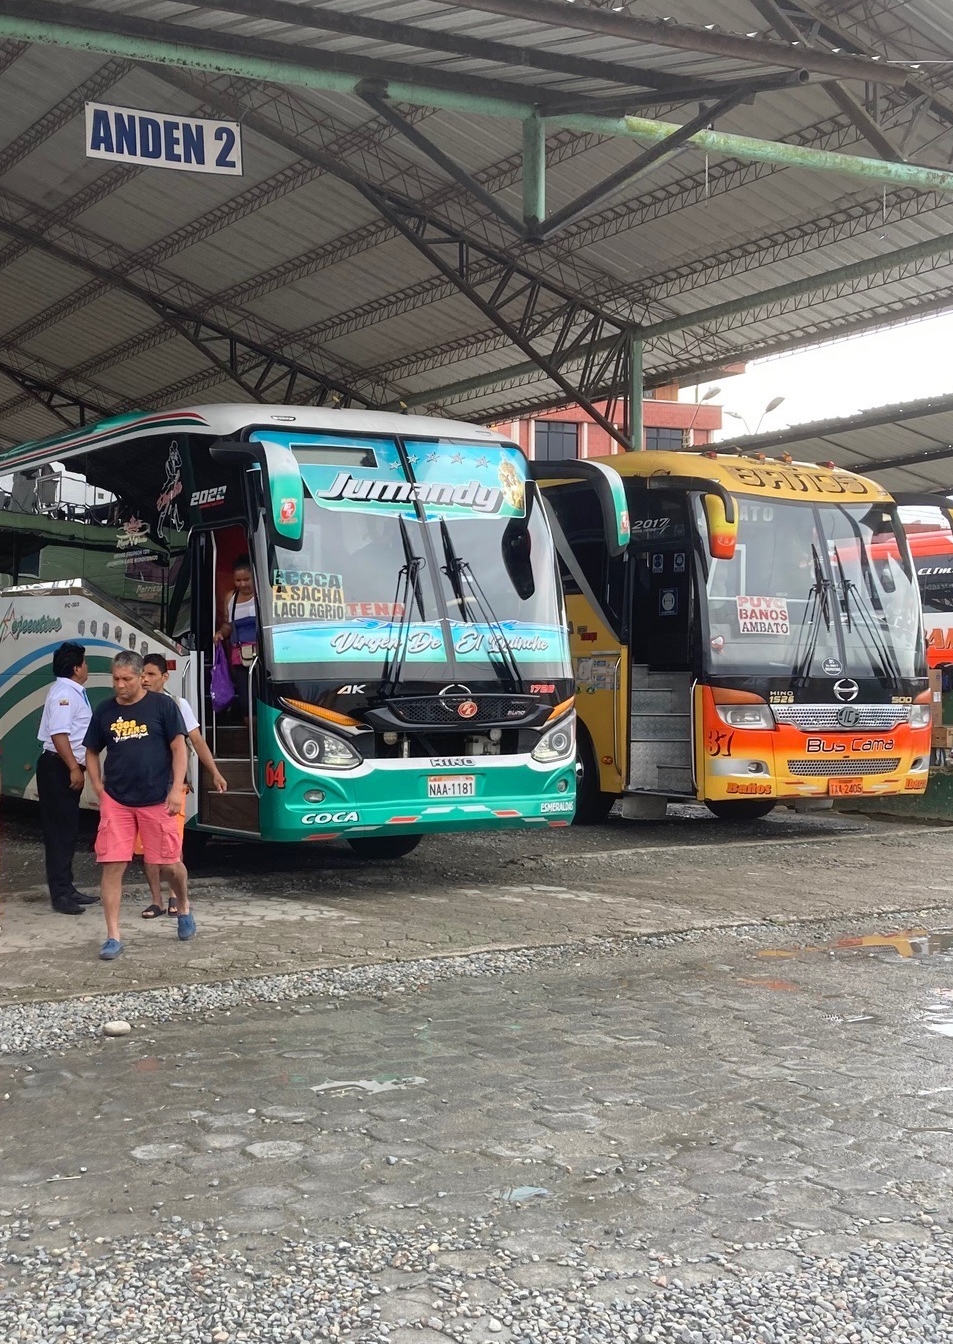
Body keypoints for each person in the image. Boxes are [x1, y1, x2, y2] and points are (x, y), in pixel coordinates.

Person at [83, 651, 195, 961]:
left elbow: (178, 748)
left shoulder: (163, 706)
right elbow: (91, 751)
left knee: (170, 865)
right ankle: (112, 936)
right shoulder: (105, 711)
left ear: (140, 678)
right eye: (115, 679)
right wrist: (98, 786)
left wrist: (176, 789)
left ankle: (183, 905)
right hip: (117, 801)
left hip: (157, 798)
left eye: (127, 679)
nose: (120, 685)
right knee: (112, 865)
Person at [139, 652, 227, 918]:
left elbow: (197, 741)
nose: (145, 679)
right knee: (148, 850)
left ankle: (176, 896)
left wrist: (214, 772)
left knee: (172, 847)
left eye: (151, 674)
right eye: (142, 674)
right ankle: (156, 900)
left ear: (165, 678)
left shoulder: (177, 704)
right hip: (141, 788)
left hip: (172, 787)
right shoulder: (132, 705)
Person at [36, 642, 96, 916]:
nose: (87, 667)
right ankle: (60, 894)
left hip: (62, 767)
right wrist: (74, 767)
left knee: (68, 829)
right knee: (60, 831)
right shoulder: (64, 693)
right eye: (84, 663)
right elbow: (59, 734)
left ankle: (67, 887)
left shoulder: (71, 691)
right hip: (58, 768)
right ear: (76, 668)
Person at [214, 554, 258, 721]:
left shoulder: (264, 595)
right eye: (238, 580)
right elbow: (227, 626)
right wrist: (220, 634)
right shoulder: (230, 598)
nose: (242, 584)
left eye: (247, 579)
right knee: (247, 704)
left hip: (264, 658)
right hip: (241, 660)